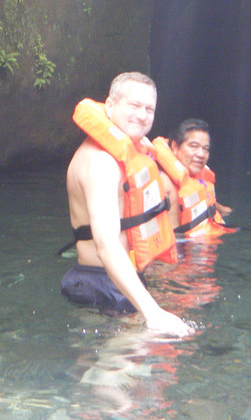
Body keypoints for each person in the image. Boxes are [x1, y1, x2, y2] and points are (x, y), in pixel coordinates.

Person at [61, 72, 193, 337]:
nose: (142, 115)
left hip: (114, 283)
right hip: (101, 285)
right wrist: (153, 313)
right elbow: (106, 245)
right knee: (122, 370)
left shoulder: (126, 154)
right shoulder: (102, 163)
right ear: (110, 106)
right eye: (133, 106)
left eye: (149, 109)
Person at [154, 118, 236, 239]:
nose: (201, 154)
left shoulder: (196, 179)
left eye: (205, 149)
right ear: (175, 147)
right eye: (194, 146)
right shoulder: (163, 184)